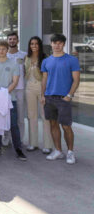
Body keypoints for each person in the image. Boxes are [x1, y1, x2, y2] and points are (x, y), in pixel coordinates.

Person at [41, 33, 80, 164]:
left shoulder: (72, 60)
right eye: (54, 43)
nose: (57, 45)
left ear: (63, 44)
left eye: (60, 43)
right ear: (51, 44)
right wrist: (42, 95)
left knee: (66, 126)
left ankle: (70, 152)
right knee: (53, 124)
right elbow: (44, 79)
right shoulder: (46, 61)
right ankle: (58, 150)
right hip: (49, 97)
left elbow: (76, 80)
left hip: (64, 99)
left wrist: (70, 95)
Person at [0, 40, 27, 160]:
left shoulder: (14, 64)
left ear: (7, 50)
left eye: (4, 49)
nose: (1, 51)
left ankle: (18, 149)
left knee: (14, 124)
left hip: (10, 98)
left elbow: (15, 81)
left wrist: (5, 93)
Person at [24, 36, 52, 153]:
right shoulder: (27, 57)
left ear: (39, 45)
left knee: (45, 116)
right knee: (31, 116)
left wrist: (44, 93)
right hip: (29, 87)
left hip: (42, 87)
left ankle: (47, 145)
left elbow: (47, 76)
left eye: (36, 44)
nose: (34, 46)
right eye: (32, 44)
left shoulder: (45, 58)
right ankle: (33, 143)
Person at [6, 31, 27, 148]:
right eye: (10, 39)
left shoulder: (24, 55)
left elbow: (27, 71)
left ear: (18, 41)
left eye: (14, 39)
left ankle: (20, 139)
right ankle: (7, 138)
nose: (12, 41)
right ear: (7, 41)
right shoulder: (4, 55)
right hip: (7, 90)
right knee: (7, 115)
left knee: (20, 116)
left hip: (20, 89)